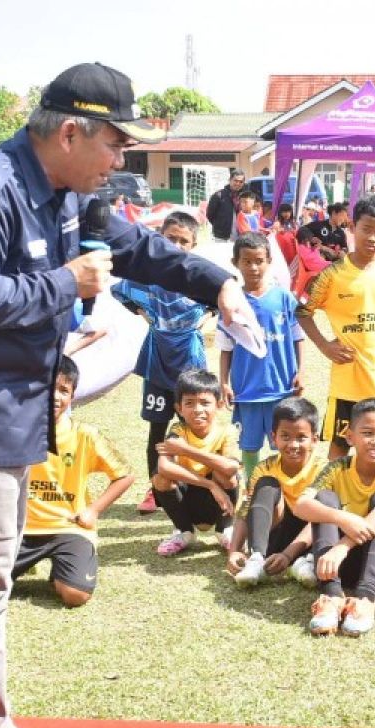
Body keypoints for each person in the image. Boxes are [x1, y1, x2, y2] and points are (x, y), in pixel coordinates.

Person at [0, 62, 253, 728]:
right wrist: (65, 283)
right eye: (115, 144)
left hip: (10, 406)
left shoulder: (65, 191)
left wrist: (220, 281)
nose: (121, 159)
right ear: (71, 131)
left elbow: (136, 249)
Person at [297, 195, 375, 460]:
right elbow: (303, 312)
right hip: (347, 380)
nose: (373, 238)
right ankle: (333, 497)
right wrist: (324, 345)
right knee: (340, 445)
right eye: (366, 230)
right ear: (352, 227)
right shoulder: (332, 275)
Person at [111, 211, 211, 516]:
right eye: (171, 239)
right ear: (160, 239)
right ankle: (157, 488)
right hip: (157, 360)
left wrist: (203, 320)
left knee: (193, 429)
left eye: (184, 241)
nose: (177, 245)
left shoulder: (198, 276)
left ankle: (195, 485)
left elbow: (219, 298)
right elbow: (122, 292)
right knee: (157, 430)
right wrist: (145, 315)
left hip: (190, 363)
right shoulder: (145, 275)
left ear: (193, 245)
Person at [12, 356, 132, 607]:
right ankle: (20, 565)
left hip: (69, 527)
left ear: (72, 396)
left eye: (63, 390)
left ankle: (63, 569)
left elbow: (125, 475)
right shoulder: (15, 431)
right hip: (20, 527)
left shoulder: (85, 435)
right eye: (48, 388)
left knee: (75, 595)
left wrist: (93, 511)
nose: (55, 396)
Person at [294, 399, 375, 636]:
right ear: (350, 437)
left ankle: (366, 600)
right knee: (325, 500)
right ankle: (331, 596)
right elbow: (301, 505)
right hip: (339, 566)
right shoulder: (337, 468)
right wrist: (342, 518)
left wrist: (343, 545)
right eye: (367, 433)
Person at [218, 232, 304, 479]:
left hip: (281, 387)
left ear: (269, 262)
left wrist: (301, 372)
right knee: (249, 446)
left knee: (284, 443)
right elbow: (226, 348)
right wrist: (224, 382)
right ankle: (252, 488)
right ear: (236, 263)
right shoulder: (231, 301)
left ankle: (282, 486)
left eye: (259, 261)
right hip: (247, 391)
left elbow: (298, 337)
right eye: (247, 261)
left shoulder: (284, 298)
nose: (254, 267)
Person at [225, 397, 324, 587]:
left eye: (301, 438)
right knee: (267, 484)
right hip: (276, 537)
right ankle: (256, 558)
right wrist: (234, 550)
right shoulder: (264, 467)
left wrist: (289, 554)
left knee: (326, 503)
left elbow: (323, 517)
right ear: (274, 437)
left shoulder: (325, 469)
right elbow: (245, 510)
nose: (293, 445)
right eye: (285, 436)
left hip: (310, 539)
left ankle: (303, 563)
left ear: (314, 439)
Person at [154, 368, 242, 556]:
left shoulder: (227, 431)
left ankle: (225, 530)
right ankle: (184, 532)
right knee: (161, 479)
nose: (198, 410)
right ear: (179, 408)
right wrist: (209, 484)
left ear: (218, 405)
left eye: (204, 403)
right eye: (190, 403)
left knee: (226, 474)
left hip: (220, 502)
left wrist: (185, 450)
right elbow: (164, 467)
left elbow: (231, 467)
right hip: (189, 497)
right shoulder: (177, 430)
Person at [207, 168, 245, 242]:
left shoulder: (244, 197)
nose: (238, 184)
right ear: (230, 180)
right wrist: (220, 225)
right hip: (222, 237)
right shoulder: (219, 195)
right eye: (235, 181)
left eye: (241, 182)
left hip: (240, 236)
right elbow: (210, 215)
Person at [290, 227, 330, 296]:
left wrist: (315, 248)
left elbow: (315, 257)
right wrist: (315, 249)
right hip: (318, 266)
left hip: (321, 264)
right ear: (303, 240)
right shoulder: (301, 248)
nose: (309, 241)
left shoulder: (306, 247)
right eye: (308, 239)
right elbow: (310, 260)